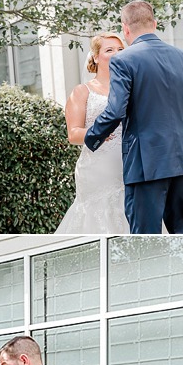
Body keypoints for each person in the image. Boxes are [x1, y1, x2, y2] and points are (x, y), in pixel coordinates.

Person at [84, 0, 183, 234]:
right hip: (178, 157)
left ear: (125, 28)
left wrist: (92, 137)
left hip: (145, 161)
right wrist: (178, 133)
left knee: (145, 235)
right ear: (155, 23)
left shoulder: (123, 60)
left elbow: (116, 110)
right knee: (182, 229)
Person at [55, 33, 129, 234]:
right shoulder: (82, 91)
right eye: (109, 50)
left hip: (129, 164)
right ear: (96, 57)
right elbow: (73, 134)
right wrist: (98, 133)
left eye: (120, 49)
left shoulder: (130, 88)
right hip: (98, 168)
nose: (116, 53)